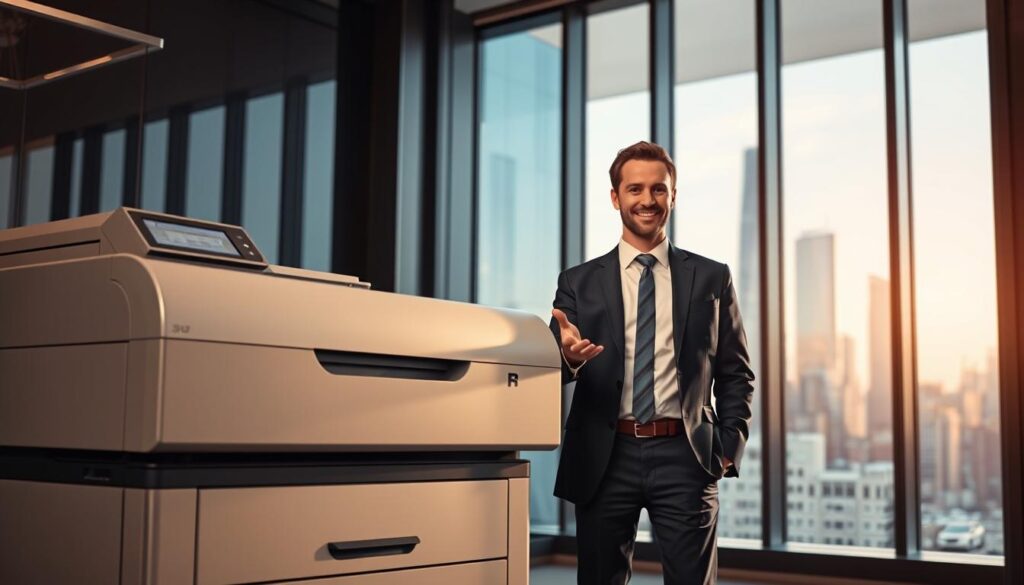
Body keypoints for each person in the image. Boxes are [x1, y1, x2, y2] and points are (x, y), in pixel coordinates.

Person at [549, 141, 755, 585]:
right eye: (635, 189)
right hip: (605, 456)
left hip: (687, 453)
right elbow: (555, 364)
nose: (647, 200)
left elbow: (736, 372)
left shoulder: (712, 277)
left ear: (673, 196)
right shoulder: (578, 282)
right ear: (615, 197)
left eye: (659, 190)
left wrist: (725, 448)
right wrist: (565, 358)